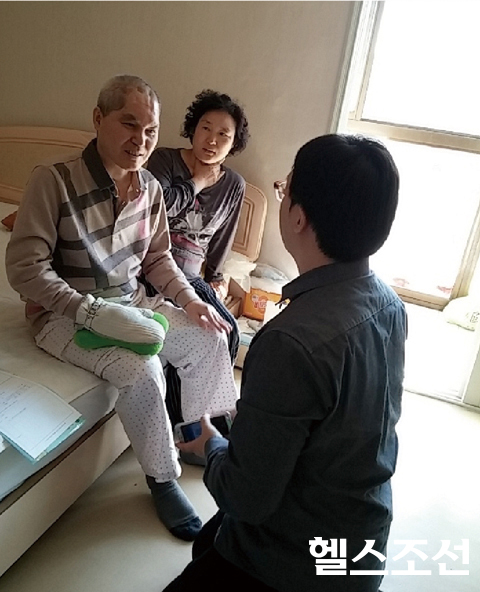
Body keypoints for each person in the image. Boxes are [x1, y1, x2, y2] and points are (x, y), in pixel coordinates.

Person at [163, 134, 407, 591]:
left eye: (284, 188)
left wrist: (211, 447)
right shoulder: (389, 304)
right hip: (360, 545)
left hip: (292, 565)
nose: (282, 195)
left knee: (221, 531)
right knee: (210, 540)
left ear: (298, 216)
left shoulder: (289, 341)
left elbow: (245, 499)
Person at [5, 75, 239, 542]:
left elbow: (157, 259)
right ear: (98, 119)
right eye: (129, 124)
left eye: (151, 131)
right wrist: (88, 312)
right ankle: (162, 479)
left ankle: (195, 436)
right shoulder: (54, 180)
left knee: (211, 334)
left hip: (132, 302)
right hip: (64, 316)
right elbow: (25, 269)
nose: (141, 140)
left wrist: (191, 301)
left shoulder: (149, 187)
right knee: (142, 368)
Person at [146, 90, 249, 425]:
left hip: (191, 275)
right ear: (193, 128)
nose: (212, 140)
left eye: (224, 135)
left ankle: (206, 426)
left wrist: (216, 277)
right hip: (150, 266)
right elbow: (153, 208)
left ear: (233, 143)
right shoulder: (164, 160)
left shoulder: (234, 185)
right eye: (206, 128)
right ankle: (183, 423)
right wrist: (196, 182)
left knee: (226, 330)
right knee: (196, 333)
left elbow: (223, 236)